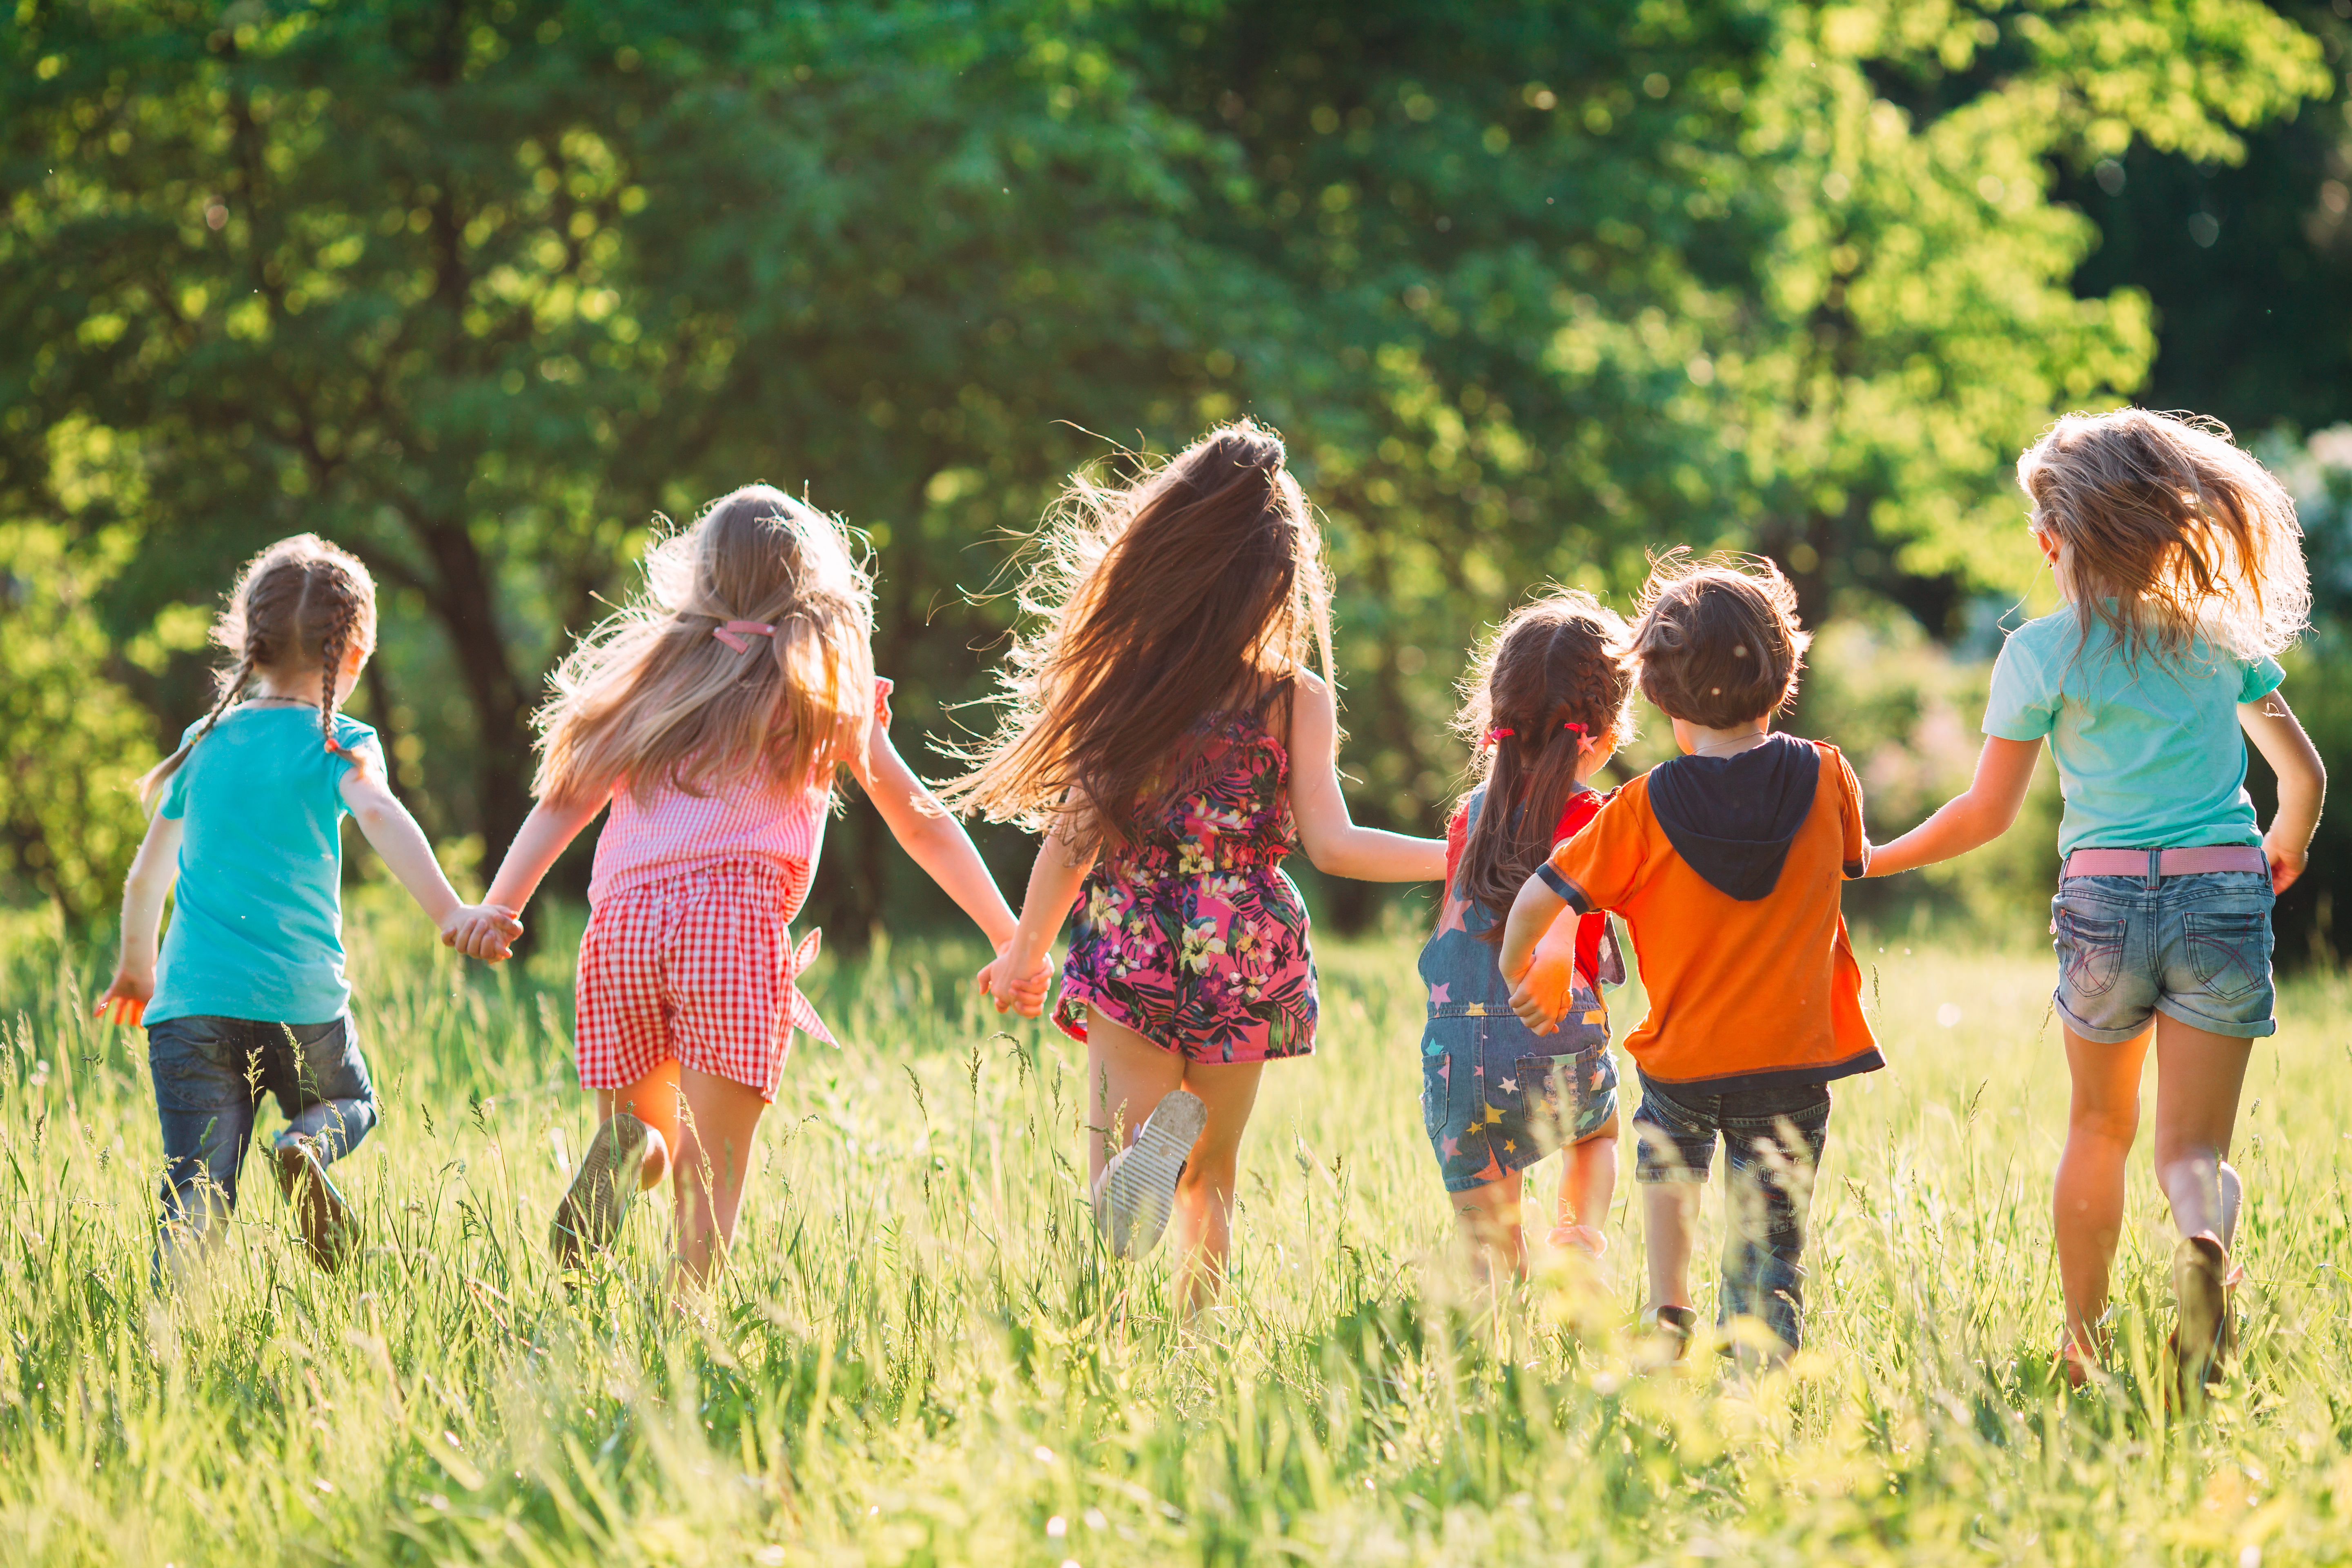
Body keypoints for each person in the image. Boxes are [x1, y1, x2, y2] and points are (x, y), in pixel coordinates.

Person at [448, 485, 1018, 1286]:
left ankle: (633, 1148)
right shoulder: (821, 681)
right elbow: (918, 821)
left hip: (621, 926)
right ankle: (685, 1319)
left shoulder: (657, 671)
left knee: (644, 1129)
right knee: (711, 1168)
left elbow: (565, 800)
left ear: (701, 575)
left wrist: (501, 904)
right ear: (811, 578)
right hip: (732, 926)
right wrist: (1007, 933)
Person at [1864, 409, 2323, 1396]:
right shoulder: (2218, 639)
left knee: (2097, 1131)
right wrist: (2279, 848)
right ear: (2172, 527)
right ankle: (2202, 1238)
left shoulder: (2041, 652)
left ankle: (2084, 1343)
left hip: (2106, 906)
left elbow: (1987, 814)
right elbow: (2304, 774)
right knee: (2194, 1148)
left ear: (2051, 540)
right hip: (2223, 892)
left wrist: (1878, 857)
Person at [953, 421, 1444, 1312]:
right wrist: (1458, 856)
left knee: (1122, 1162)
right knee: (1212, 1180)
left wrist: (1027, 950)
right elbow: (1334, 845)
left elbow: (1074, 835)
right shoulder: (1295, 695)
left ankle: (1118, 1244)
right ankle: (1194, 1344)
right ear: (1278, 584)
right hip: (1246, 946)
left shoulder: (1126, 681)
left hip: (1135, 938)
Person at [95, 535, 514, 1278]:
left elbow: (144, 882)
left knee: (196, 1189)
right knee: (349, 1101)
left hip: (190, 1008)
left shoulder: (204, 741)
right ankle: (305, 1145)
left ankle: (165, 1343)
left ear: (249, 645)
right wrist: (451, 912)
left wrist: (136, 972)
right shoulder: (340, 741)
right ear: (352, 655)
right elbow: (382, 817)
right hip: (303, 1004)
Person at [1500, 553, 1878, 1360]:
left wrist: (1515, 964)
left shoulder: (1641, 808)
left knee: (1669, 1163)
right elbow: (1858, 858)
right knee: (1771, 1229)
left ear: (1660, 694)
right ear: (1783, 676)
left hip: (1684, 1057)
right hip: (1793, 1055)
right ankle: (1763, 1355)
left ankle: (1670, 1307)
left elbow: (1542, 892)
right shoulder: (1826, 775)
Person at [1421, 593, 1634, 1283]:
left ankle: (1494, 1362)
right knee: (1598, 1132)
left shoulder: (1468, 822)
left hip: (1458, 1065)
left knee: (1488, 1258)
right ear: (1603, 735)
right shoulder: (1600, 823)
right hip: (1555, 1044)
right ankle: (1575, 1241)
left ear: (1496, 720)